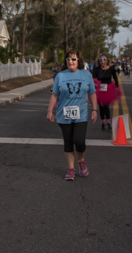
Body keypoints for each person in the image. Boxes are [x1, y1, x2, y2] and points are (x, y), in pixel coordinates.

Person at [46, 49, 98, 181]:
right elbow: (55, 94)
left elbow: (92, 92)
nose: (70, 61)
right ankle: (71, 169)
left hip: (81, 113)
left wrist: (94, 110)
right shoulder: (60, 76)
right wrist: (49, 111)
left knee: (79, 141)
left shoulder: (86, 74)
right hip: (64, 114)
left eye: (73, 59)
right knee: (68, 142)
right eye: (68, 59)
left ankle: (81, 160)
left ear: (79, 61)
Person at [92, 53, 121, 132]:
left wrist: (117, 87)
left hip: (108, 89)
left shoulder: (111, 69)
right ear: (99, 61)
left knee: (106, 106)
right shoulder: (97, 69)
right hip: (99, 89)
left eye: (104, 59)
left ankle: (108, 123)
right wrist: (94, 82)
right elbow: (93, 78)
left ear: (107, 60)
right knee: (101, 107)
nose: (102, 61)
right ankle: (102, 124)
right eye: (101, 59)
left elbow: (115, 77)